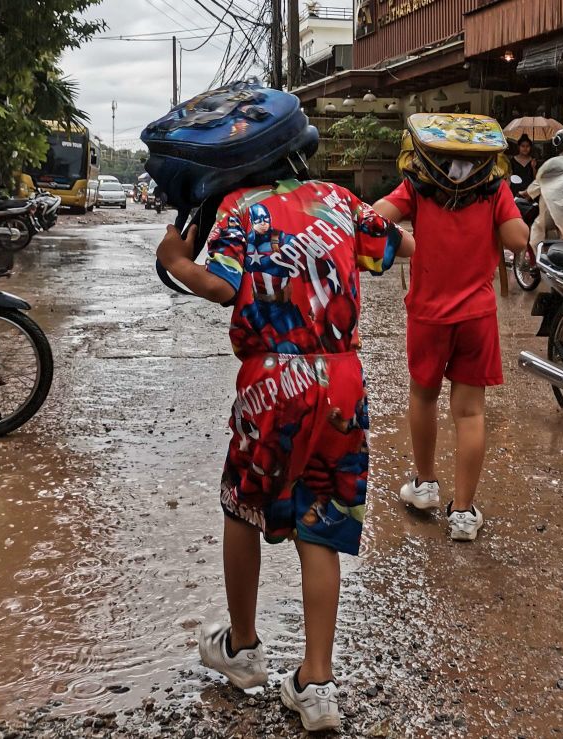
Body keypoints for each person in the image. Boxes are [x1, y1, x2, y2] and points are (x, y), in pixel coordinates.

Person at [153, 82, 414, 733]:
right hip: (343, 379)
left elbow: (221, 286)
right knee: (321, 518)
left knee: (243, 504)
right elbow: (399, 247)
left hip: (275, 381)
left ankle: (243, 648)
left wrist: (176, 260)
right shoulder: (338, 199)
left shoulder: (239, 207)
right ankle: (316, 682)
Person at [374, 113, 528, 542]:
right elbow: (518, 239)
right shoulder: (493, 188)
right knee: (471, 411)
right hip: (477, 316)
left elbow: (376, 217)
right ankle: (462, 513)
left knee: (423, 397)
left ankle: (424, 486)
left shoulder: (418, 186)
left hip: (428, 315)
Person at [524, 128, 563, 246]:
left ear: (558, 143)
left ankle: (539, 255)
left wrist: (522, 194)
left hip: (561, 217)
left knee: (537, 227)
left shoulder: (553, 163)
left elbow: (532, 190)